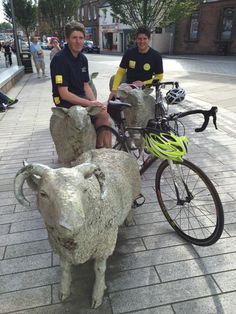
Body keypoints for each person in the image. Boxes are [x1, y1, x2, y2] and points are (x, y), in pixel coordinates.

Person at [50, 21, 111, 148]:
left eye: (81, 38)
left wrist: (96, 103)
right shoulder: (59, 60)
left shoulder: (83, 59)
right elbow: (64, 93)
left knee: (105, 115)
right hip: (65, 102)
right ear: (67, 39)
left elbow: (86, 85)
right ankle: (99, 148)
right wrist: (90, 104)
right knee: (104, 117)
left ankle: (105, 149)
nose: (78, 41)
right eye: (74, 38)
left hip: (81, 98)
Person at [109, 26, 163, 100]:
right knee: (114, 100)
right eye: (139, 39)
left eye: (145, 39)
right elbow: (120, 72)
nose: (142, 41)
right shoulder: (129, 53)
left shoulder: (156, 56)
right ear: (136, 40)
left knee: (132, 98)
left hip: (145, 88)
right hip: (128, 85)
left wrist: (144, 83)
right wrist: (114, 90)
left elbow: (159, 77)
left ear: (149, 39)